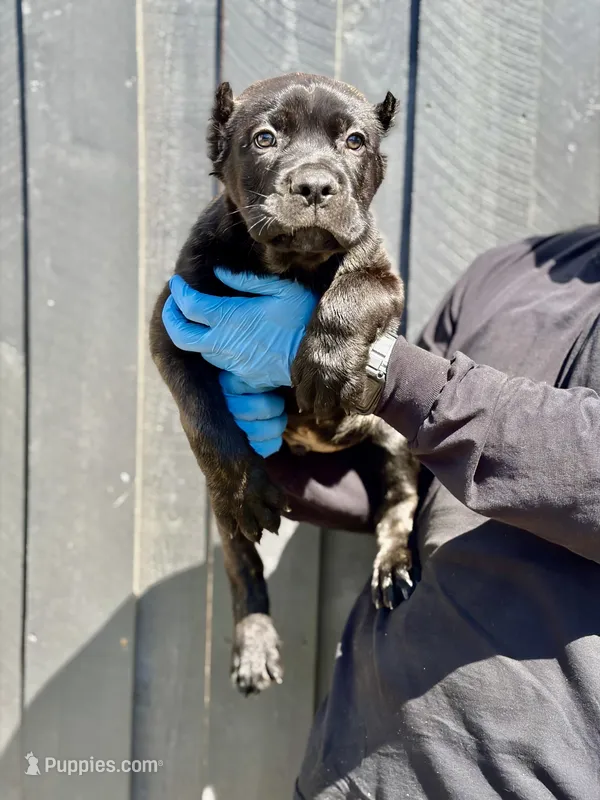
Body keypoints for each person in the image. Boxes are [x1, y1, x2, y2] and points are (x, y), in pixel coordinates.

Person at [163, 226, 600, 800]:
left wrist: (373, 367)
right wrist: (269, 448)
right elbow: (409, 457)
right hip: (354, 764)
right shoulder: (510, 268)